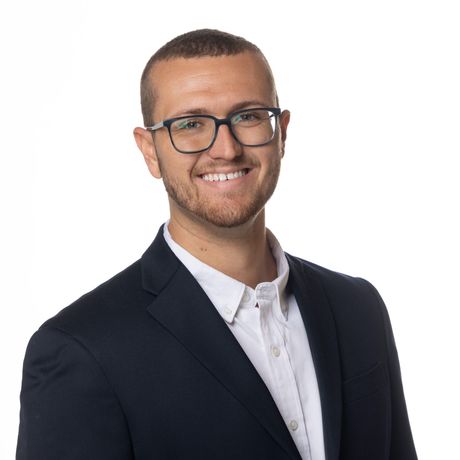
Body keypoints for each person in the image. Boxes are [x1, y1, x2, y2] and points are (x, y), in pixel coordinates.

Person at [16, 29, 417, 460]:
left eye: (247, 116)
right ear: (150, 150)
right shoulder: (82, 350)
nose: (225, 149)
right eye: (190, 124)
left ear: (281, 133)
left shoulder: (358, 309)